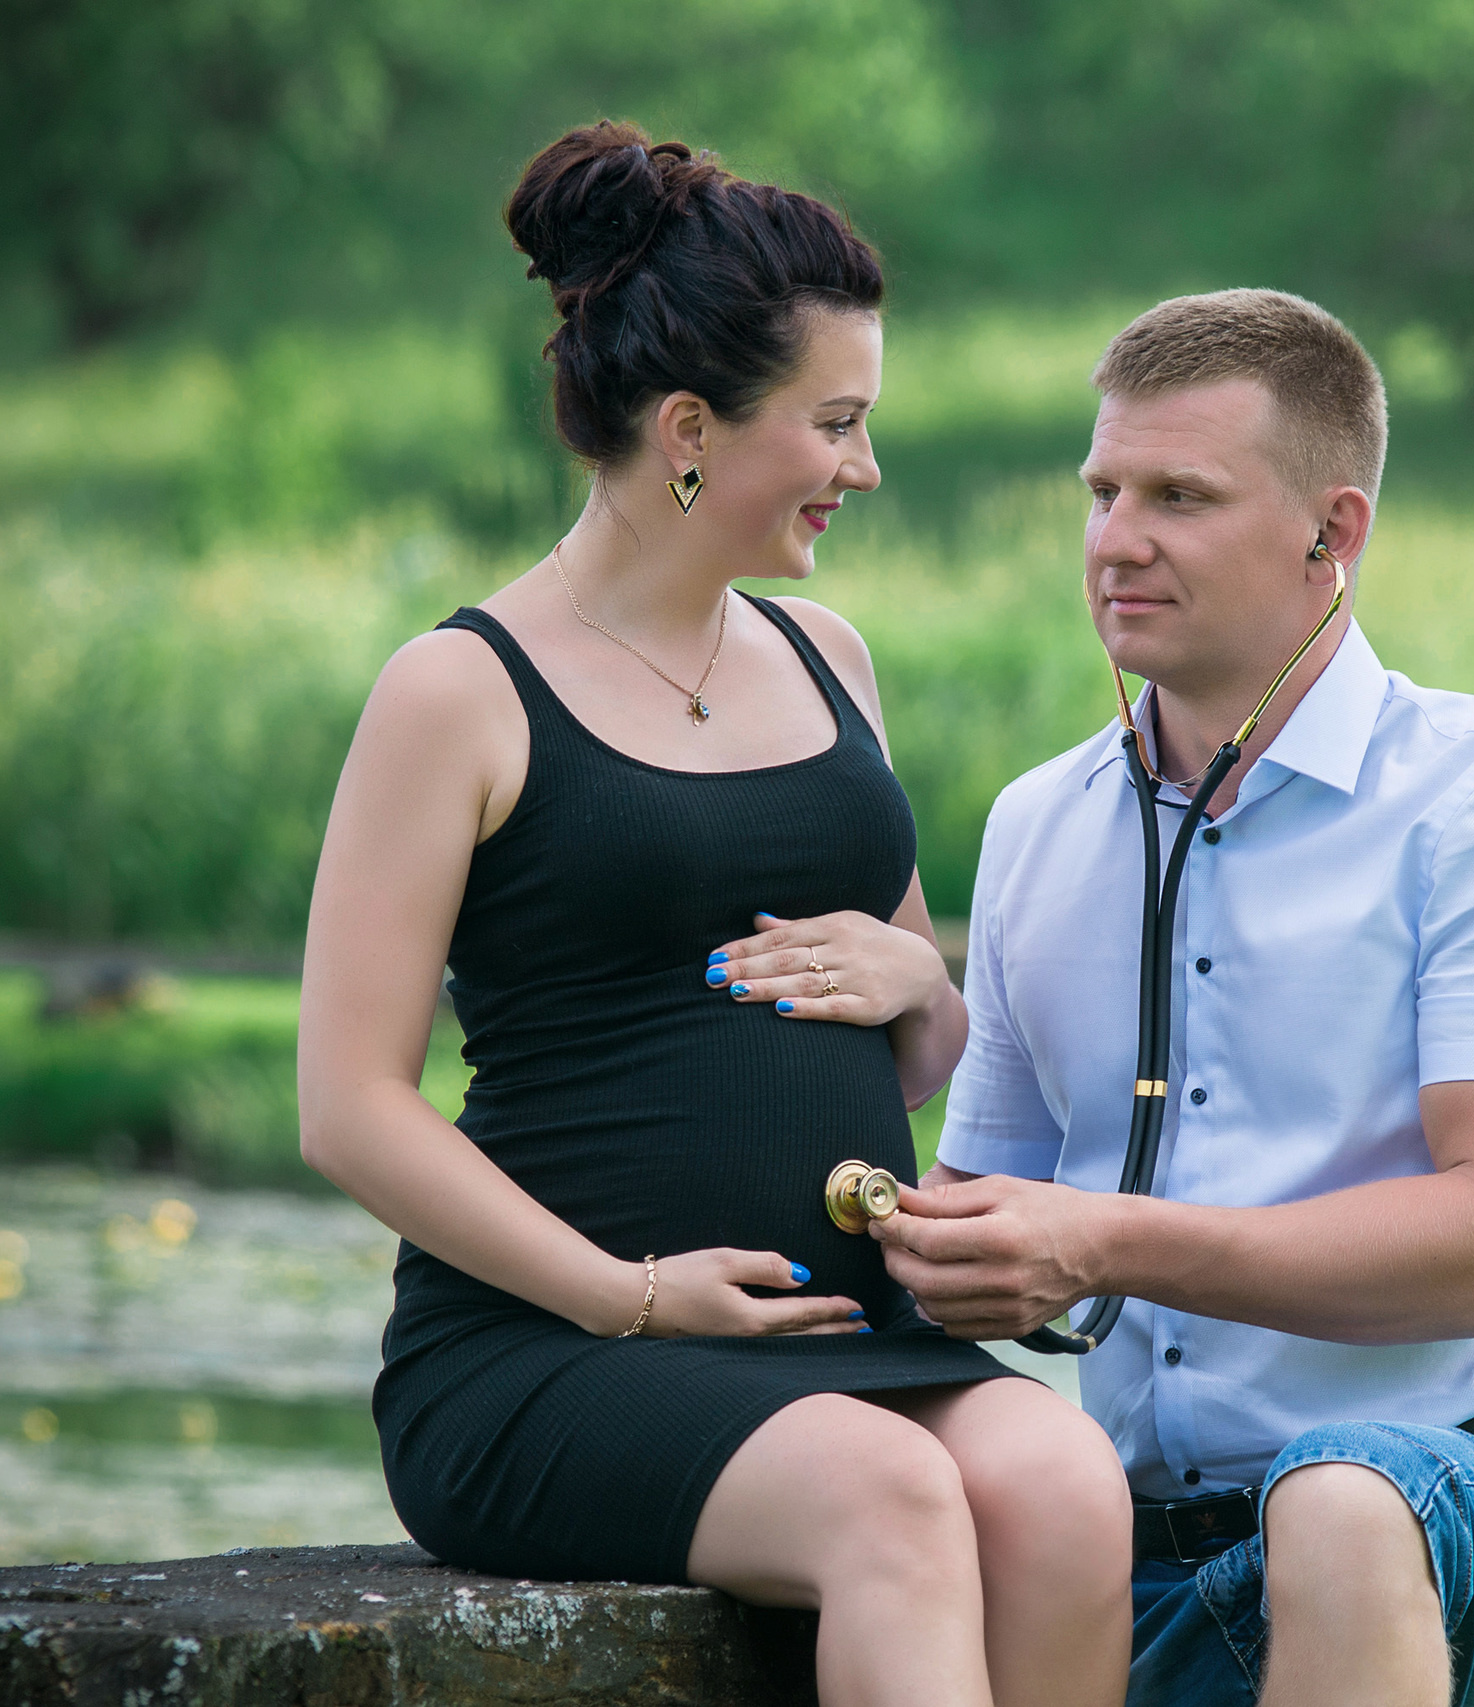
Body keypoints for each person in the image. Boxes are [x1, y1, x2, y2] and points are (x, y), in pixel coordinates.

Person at [295, 122, 1130, 1707]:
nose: (865, 468)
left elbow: (915, 1050)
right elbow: (345, 1108)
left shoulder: (831, 661)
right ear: (689, 427)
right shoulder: (460, 692)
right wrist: (632, 1295)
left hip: (837, 1327)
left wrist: (917, 977)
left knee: (1066, 1484)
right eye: (836, 423)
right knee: (891, 1503)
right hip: (557, 1350)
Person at [871, 289, 1474, 1707]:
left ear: (1332, 532)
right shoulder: (1037, 823)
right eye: (1103, 491)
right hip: (1133, 1548)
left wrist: (1108, 1241)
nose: (1119, 538)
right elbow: (986, 1220)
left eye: (1181, 495)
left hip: (1464, 1503)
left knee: (1339, 1497)